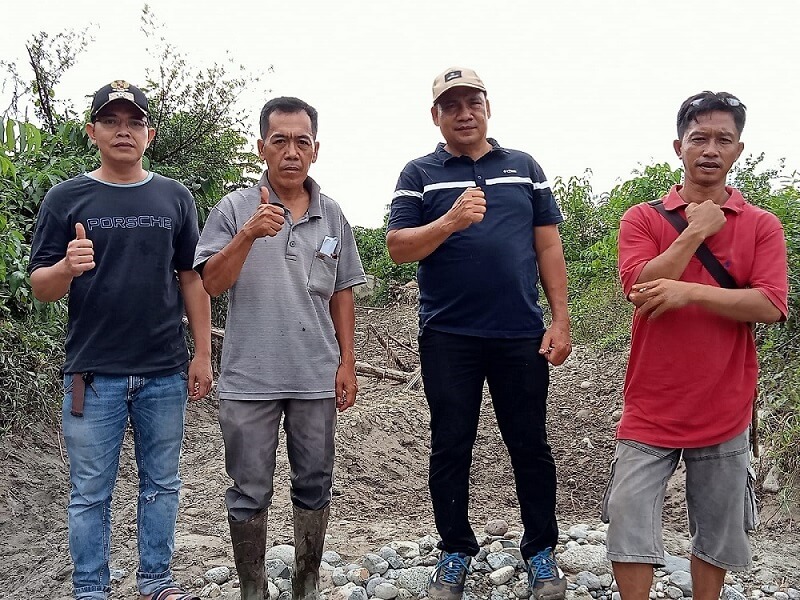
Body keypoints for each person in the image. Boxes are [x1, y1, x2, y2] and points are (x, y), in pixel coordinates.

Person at [387, 67, 572, 600]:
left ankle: (540, 550)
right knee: (450, 444)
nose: (464, 113)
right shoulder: (419, 172)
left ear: (488, 107)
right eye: (451, 106)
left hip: (520, 333)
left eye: (472, 102)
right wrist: (449, 221)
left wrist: (559, 319)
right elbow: (398, 247)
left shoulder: (524, 167)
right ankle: (454, 551)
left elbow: (549, 248)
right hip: (448, 334)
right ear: (436, 116)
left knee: (530, 444)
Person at [28, 80, 213, 600]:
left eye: (134, 122)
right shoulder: (66, 197)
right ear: (92, 132)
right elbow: (40, 286)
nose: (123, 130)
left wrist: (202, 353)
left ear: (149, 134)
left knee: (162, 486)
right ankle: (91, 589)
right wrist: (66, 266)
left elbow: (191, 278)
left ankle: (157, 583)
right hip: (93, 373)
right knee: (90, 493)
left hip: (163, 370)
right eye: (111, 121)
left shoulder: (175, 197)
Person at [605, 91, 789, 600]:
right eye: (699, 138)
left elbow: (772, 304)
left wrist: (688, 290)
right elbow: (639, 288)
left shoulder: (762, 225)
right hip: (651, 402)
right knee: (627, 517)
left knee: (718, 527)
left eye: (722, 140)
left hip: (725, 402)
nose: (710, 149)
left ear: (739, 150)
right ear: (678, 146)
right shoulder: (642, 218)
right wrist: (694, 232)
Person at [193, 96, 365, 600]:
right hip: (249, 379)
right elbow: (211, 284)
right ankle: (253, 588)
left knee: (314, 481)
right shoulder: (233, 208)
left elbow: (343, 291)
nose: (291, 151)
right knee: (248, 489)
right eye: (280, 140)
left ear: (316, 150)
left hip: (315, 375)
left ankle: (306, 581)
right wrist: (247, 235)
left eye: (301, 141)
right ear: (262, 147)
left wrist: (348, 362)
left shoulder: (332, 216)